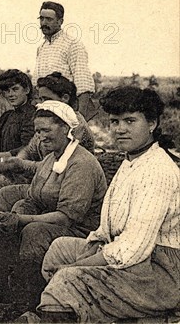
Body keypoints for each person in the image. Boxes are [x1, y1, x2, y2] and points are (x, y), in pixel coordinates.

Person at [38, 87, 180, 323]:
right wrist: (89, 252)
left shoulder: (157, 171)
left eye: (130, 121)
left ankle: (65, 307)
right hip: (135, 256)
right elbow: (111, 229)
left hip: (160, 273)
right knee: (59, 250)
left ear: (152, 123)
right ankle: (83, 311)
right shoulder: (133, 159)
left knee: (66, 281)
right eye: (114, 121)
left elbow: (132, 249)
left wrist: (78, 267)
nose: (120, 129)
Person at [0, 100, 107, 311]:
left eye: (47, 130)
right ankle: (0, 290)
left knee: (34, 232)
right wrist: (16, 213)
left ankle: (29, 301)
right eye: (38, 131)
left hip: (79, 231)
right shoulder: (51, 159)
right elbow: (32, 198)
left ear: (66, 128)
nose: (41, 136)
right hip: (50, 220)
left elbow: (66, 217)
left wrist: (20, 220)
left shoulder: (81, 163)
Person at [0, 72, 95, 213]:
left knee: (3, 194)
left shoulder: (75, 126)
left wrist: (21, 164)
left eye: (47, 99)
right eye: (41, 99)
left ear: (65, 98)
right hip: (43, 179)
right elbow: (30, 148)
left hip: (64, 187)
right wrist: (18, 159)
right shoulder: (49, 119)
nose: (43, 104)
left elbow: (58, 167)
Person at [35, 1, 98, 121]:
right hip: (47, 113)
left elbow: (83, 86)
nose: (44, 23)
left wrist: (79, 122)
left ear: (60, 21)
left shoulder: (72, 45)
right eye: (41, 19)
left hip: (66, 112)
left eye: (49, 19)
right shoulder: (41, 47)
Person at [0, 69, 36, 168]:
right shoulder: (7, 116)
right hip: (0, 164)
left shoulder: (32, 115)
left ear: (27, 90)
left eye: (15, 89)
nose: (10, 94)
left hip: (19, 168)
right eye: (7, 91)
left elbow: (27, 148)